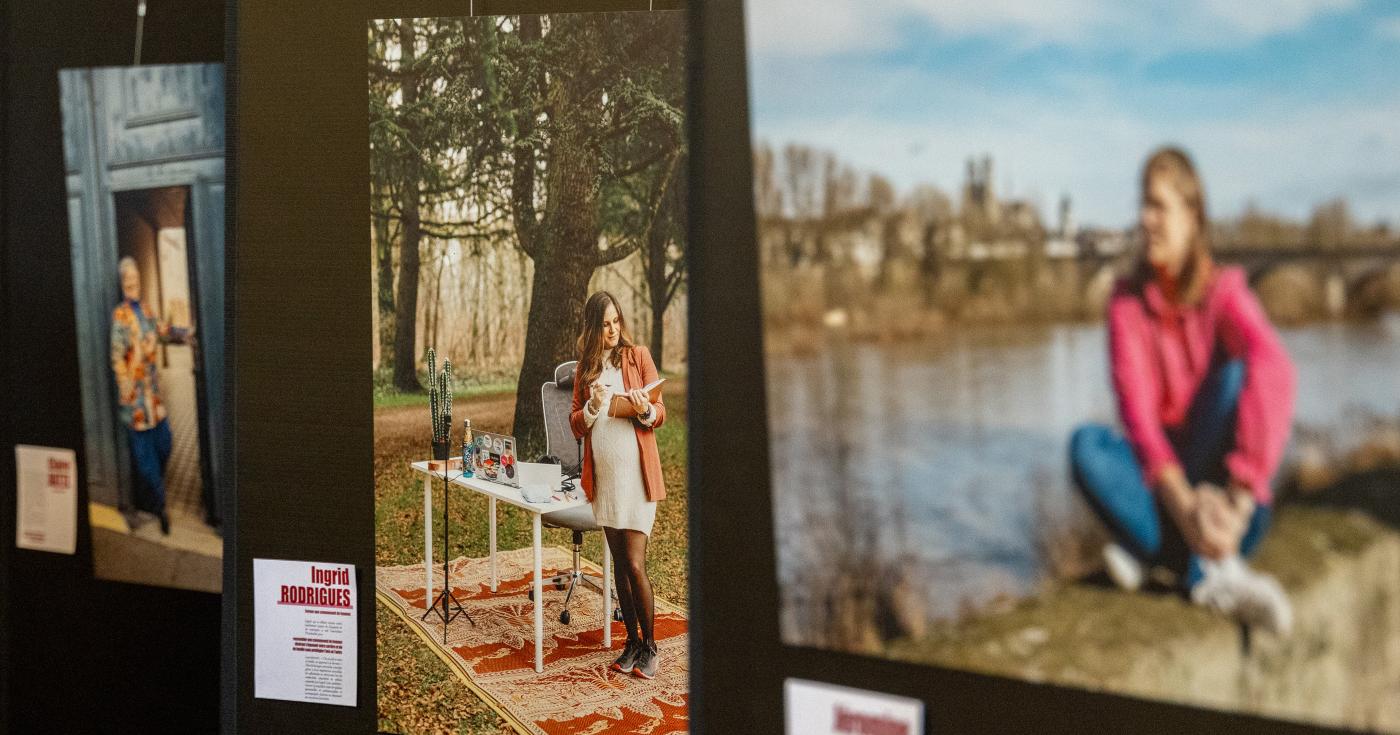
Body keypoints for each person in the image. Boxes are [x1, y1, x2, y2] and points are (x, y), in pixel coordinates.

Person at [1069, 147, 1297, 634]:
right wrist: (1190, 510)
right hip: (1167, 490)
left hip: (1229, 502)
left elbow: (1274, 366)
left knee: (1236, 376)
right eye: (1143, 205)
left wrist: (1237, 496)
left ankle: (1163, 558)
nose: (1146, 219)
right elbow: (1141, 425)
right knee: (1087, 446)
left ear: (1193, 217)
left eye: (1159, 206)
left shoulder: (1226, 291)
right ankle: (1211, 569)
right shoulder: (1126, 304)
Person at [569, 291, 668, 679]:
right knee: (618, 568)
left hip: (638, 478)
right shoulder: (585, 369)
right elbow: (576, 424)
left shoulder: (637, 356)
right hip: (606, 480)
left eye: (616, 322)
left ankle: (651, 647)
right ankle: (631, 642)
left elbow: (659, 412)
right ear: (594, 328)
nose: (612, 330)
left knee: (634, 562)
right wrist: (592, 405)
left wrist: (644, 407)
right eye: (605, 324)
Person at [111, 256, 191, 536]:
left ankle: (153, 493)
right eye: (128, 281)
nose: (133, 284)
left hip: (154, 400)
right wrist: (127, 382)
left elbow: (162, 330)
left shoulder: (146, 310)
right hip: (135, 403)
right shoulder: (120, 316)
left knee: (166, 444)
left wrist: (184, 333)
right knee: (146, 463)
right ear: (122, 284)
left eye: (135, 280)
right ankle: (161, 509)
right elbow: (117, 357)